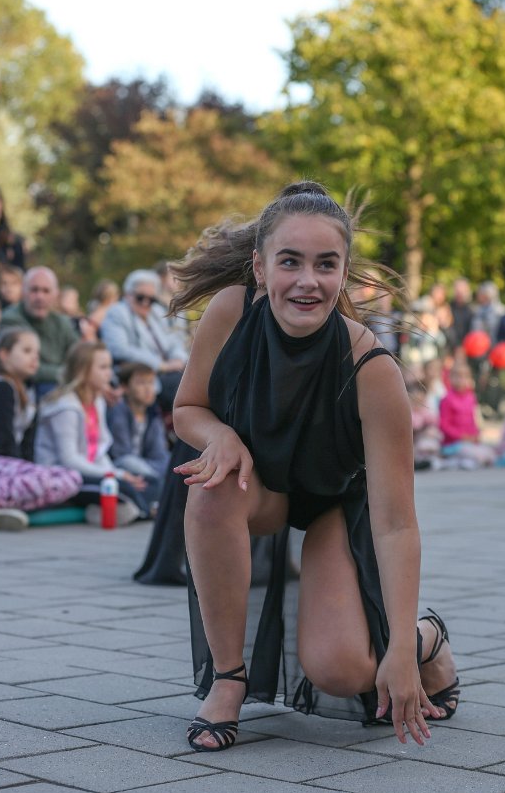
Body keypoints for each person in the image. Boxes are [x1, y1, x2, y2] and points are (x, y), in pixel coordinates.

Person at [168, 181, 459, 753]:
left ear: (344, 273)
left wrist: (400, 648)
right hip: (262, 486)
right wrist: (219, 435)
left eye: (326, 264)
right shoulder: (230, 313)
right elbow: (186, 409)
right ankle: (228, 680)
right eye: (290, 262)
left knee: (342, 672)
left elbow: (397, 524)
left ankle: (430, 638)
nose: (307, 280)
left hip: (333, 502)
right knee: (209, 487)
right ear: (259, 267)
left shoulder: (372, 370)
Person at [0, 329, 81, 531]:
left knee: (71, 478)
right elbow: (4, 446)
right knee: (41, 479)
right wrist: (33, 478)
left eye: (37, 353)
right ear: (4, 354)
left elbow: (27, 451)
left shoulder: (28, 392)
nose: (34, 358)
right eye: (27, 351)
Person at [35, 340, 153, 523]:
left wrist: (113, 472)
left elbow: (99, 451)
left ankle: (136, 510)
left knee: (146, 482)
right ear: (83, 370)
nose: (110, 373)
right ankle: (141, 511)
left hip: (89, 473)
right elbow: (69, 460)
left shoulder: (97, 401)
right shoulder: (65, 406)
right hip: (62, 477)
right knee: (123, 487)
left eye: (110, 366)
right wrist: (116, 475)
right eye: (103, 367)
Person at [100, 270, 188, 411]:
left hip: (170, 371)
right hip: (144, 375)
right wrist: (161, 365)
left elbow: (174, 340)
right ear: (128, 295)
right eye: (140, 297)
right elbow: (119, 349)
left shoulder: (156, 312)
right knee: (184, 388)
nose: (146, 303)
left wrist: (178, 359)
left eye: (151, 299)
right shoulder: (117, 313)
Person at [1, 267, 79, 397]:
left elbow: (79, 357)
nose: (40, 297)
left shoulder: (62, 322)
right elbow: (25, 368)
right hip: (27, 389)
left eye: (46, 291)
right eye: (34, 290)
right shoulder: (11, 319)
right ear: (23, 292)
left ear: (55, 295)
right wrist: (66, 373)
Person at [107, 362, 168, 495]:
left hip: (148, 467)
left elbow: (159, 454)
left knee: (173, 461)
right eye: (141, 383)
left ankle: (159, 486)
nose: (148, 389)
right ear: (125, 388)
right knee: (129, 462)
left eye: (151, 383)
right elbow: (121, 455)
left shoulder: (153, 414)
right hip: (122, 466)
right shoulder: (119, 412)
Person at [439, 364, 495, 468]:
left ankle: (462, 462)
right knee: (474, 454)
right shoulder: (447, 399)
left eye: (465, 376)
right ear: (450, 378)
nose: (462, 380)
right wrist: (461, 437)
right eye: (458, 376)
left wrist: (476, 435)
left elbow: (473, 421)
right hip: (453, 444)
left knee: (490, 454)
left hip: (470, 442)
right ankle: (450, 461)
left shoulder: (471, 397)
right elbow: (444, 425)